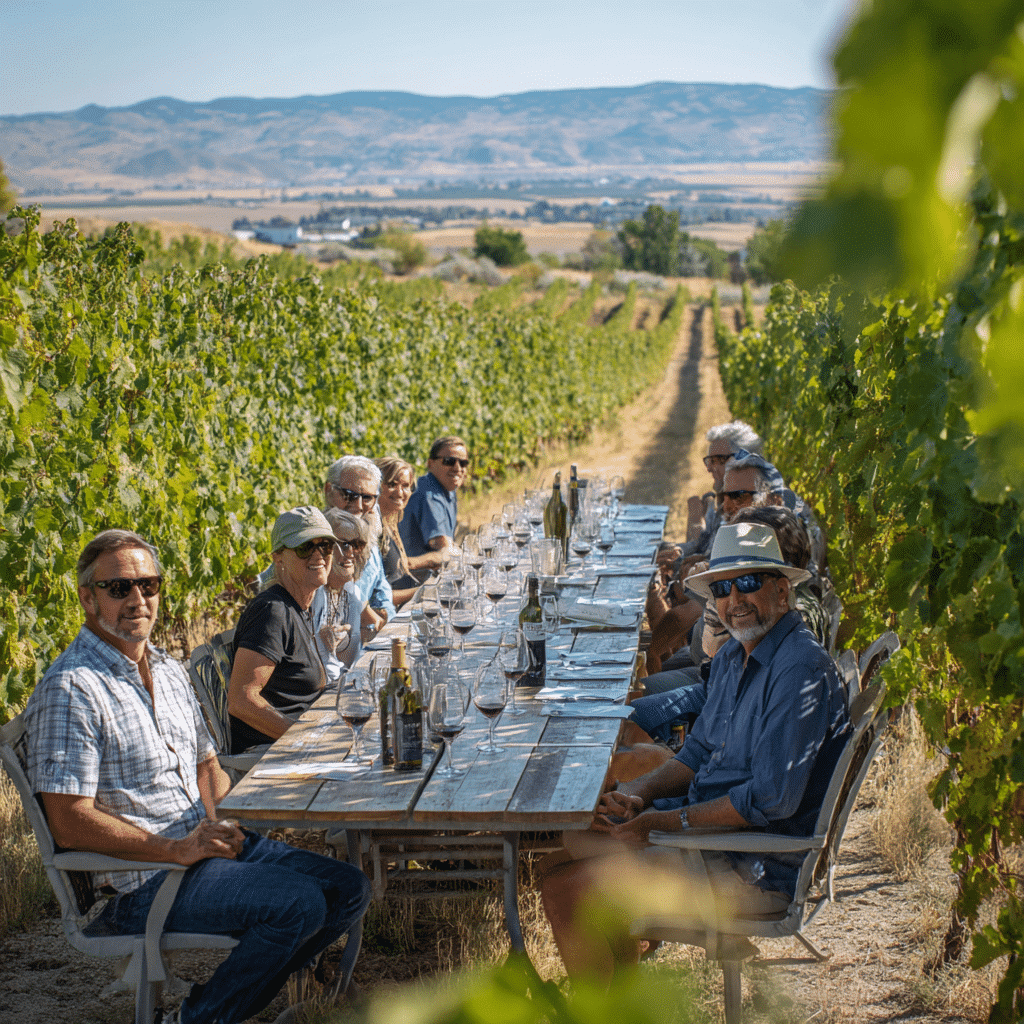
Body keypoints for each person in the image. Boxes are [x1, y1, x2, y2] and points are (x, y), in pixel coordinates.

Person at [22, 529, 371, 1024]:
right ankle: (199, 1018)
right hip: (143, 881)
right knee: (298, 905)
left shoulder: (164, 667)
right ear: (87, 596)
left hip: (201, 847)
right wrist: (174, 849)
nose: (138, 599)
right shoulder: (72, 688)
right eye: (119, 587)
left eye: (149, 585)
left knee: (348, 888)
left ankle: (253, 995)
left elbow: (208, 763)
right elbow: (68, 820)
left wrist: (220, 819)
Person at [540, 522, 850, 985]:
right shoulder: (733, 655)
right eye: (722, 588)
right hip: (709, 841)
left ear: (783, 591)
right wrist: (639, 794)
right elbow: (700, 749)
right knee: (557, 852)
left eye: (748, 583)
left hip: (757, 867)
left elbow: (771, 800)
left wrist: (665, 824)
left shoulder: (798, 670)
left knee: (567, 889)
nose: (734, 599)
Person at [229, 507, 334, 753]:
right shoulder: (272, 612)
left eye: (326, 546)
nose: (318, 555)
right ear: (278, 557)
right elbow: (242, 701)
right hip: (273, 753)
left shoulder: (299, 605)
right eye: (304, 547)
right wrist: (303, 738)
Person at [323, 455, 396, 634]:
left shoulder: (369, 537)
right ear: (328, 491)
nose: (358, 506)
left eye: (367, 498)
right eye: (349, 496)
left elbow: (383, 593)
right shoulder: (313, 541)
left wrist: (383, 616)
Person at [374, 454, 445, 607]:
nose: (400, 493)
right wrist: (425, 591)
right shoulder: (372, 531)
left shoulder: (390, 523)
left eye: (406, 486)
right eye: (392, 484)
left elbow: (400, 565)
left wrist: (436, 560)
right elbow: (375, 598)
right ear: (376, 486)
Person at [398, 435, 469, 577]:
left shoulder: (445, 487)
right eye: (449, 461)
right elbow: (444, 547)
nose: (457, 468)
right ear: (430, 463)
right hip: (416, 583)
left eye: (463, 463)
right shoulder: (429, 496)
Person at [313, 508, 370, 683]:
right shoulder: (315, 594)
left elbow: (345, 662)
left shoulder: (352, 594)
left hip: (338, 686)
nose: (352, 552)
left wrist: (345, 640)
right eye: (345, 544)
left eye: (357, 544)